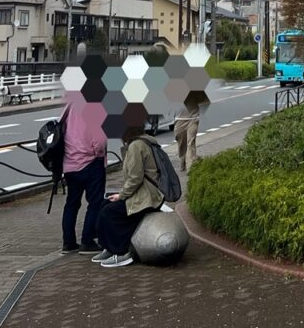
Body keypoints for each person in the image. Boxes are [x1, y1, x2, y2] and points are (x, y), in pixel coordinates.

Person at [91, 125, 165, 268]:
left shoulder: (136, 146)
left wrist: (121, 195)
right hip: (143, 194)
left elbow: (135, 178)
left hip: (146, 198)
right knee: (105, 204)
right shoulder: (142, 142)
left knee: (109, 213)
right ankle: (109, 248)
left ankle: (121, 251)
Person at [59, 95, 108, 255]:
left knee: (72, 203)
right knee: (95, 202)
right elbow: (99, 140)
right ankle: (87, 241)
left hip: (70, 163)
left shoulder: (70, 106)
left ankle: (68, 243)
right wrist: (99, 155)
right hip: (90, 162)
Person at [173, 90, 207, 173]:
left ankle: (190, 168)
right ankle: (183, 163)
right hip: (179, 119)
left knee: (190, 143)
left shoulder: (195, 87)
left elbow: (203, 99)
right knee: (181, 142)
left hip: (193, 118)